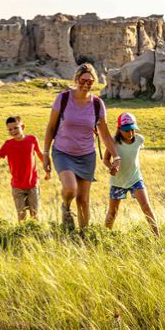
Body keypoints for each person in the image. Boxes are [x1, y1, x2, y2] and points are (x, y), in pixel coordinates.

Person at [43, 63, 119, 230]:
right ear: (76, 79)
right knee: (70, 188)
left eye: (90, 81)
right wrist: (46, 153)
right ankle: (66, 207)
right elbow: (50, 127)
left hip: (86, 155)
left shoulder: (97, 104)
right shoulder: (63, 98)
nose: (86, 84)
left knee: (83, 200)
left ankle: (84, 236)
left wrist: (116, 156)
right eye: (83, 80)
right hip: (63, 152)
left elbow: (105, 134)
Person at [0, 115, 49, 221]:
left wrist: (47, 170)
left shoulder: (32, 139)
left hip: (33, 185)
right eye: (10, 129)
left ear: (23, 126)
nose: (13, 131)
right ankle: (21, 235)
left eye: (15, 128)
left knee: (34, 215)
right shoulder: (8, 145)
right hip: (17, 187)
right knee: (21, 216)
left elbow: (40, 155)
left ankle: (35, 235)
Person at [104, 112, 159, 236]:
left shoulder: (139, 140)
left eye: (133, 130)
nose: (130, 133)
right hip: (117, 182)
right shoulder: (113, 142)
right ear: (119, 130)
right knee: (113, 212)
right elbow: (106, 159)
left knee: (146, 207)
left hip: (135, 179)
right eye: (127, 130)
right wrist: (110, 167)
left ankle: (157, 237)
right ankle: (104, 236)